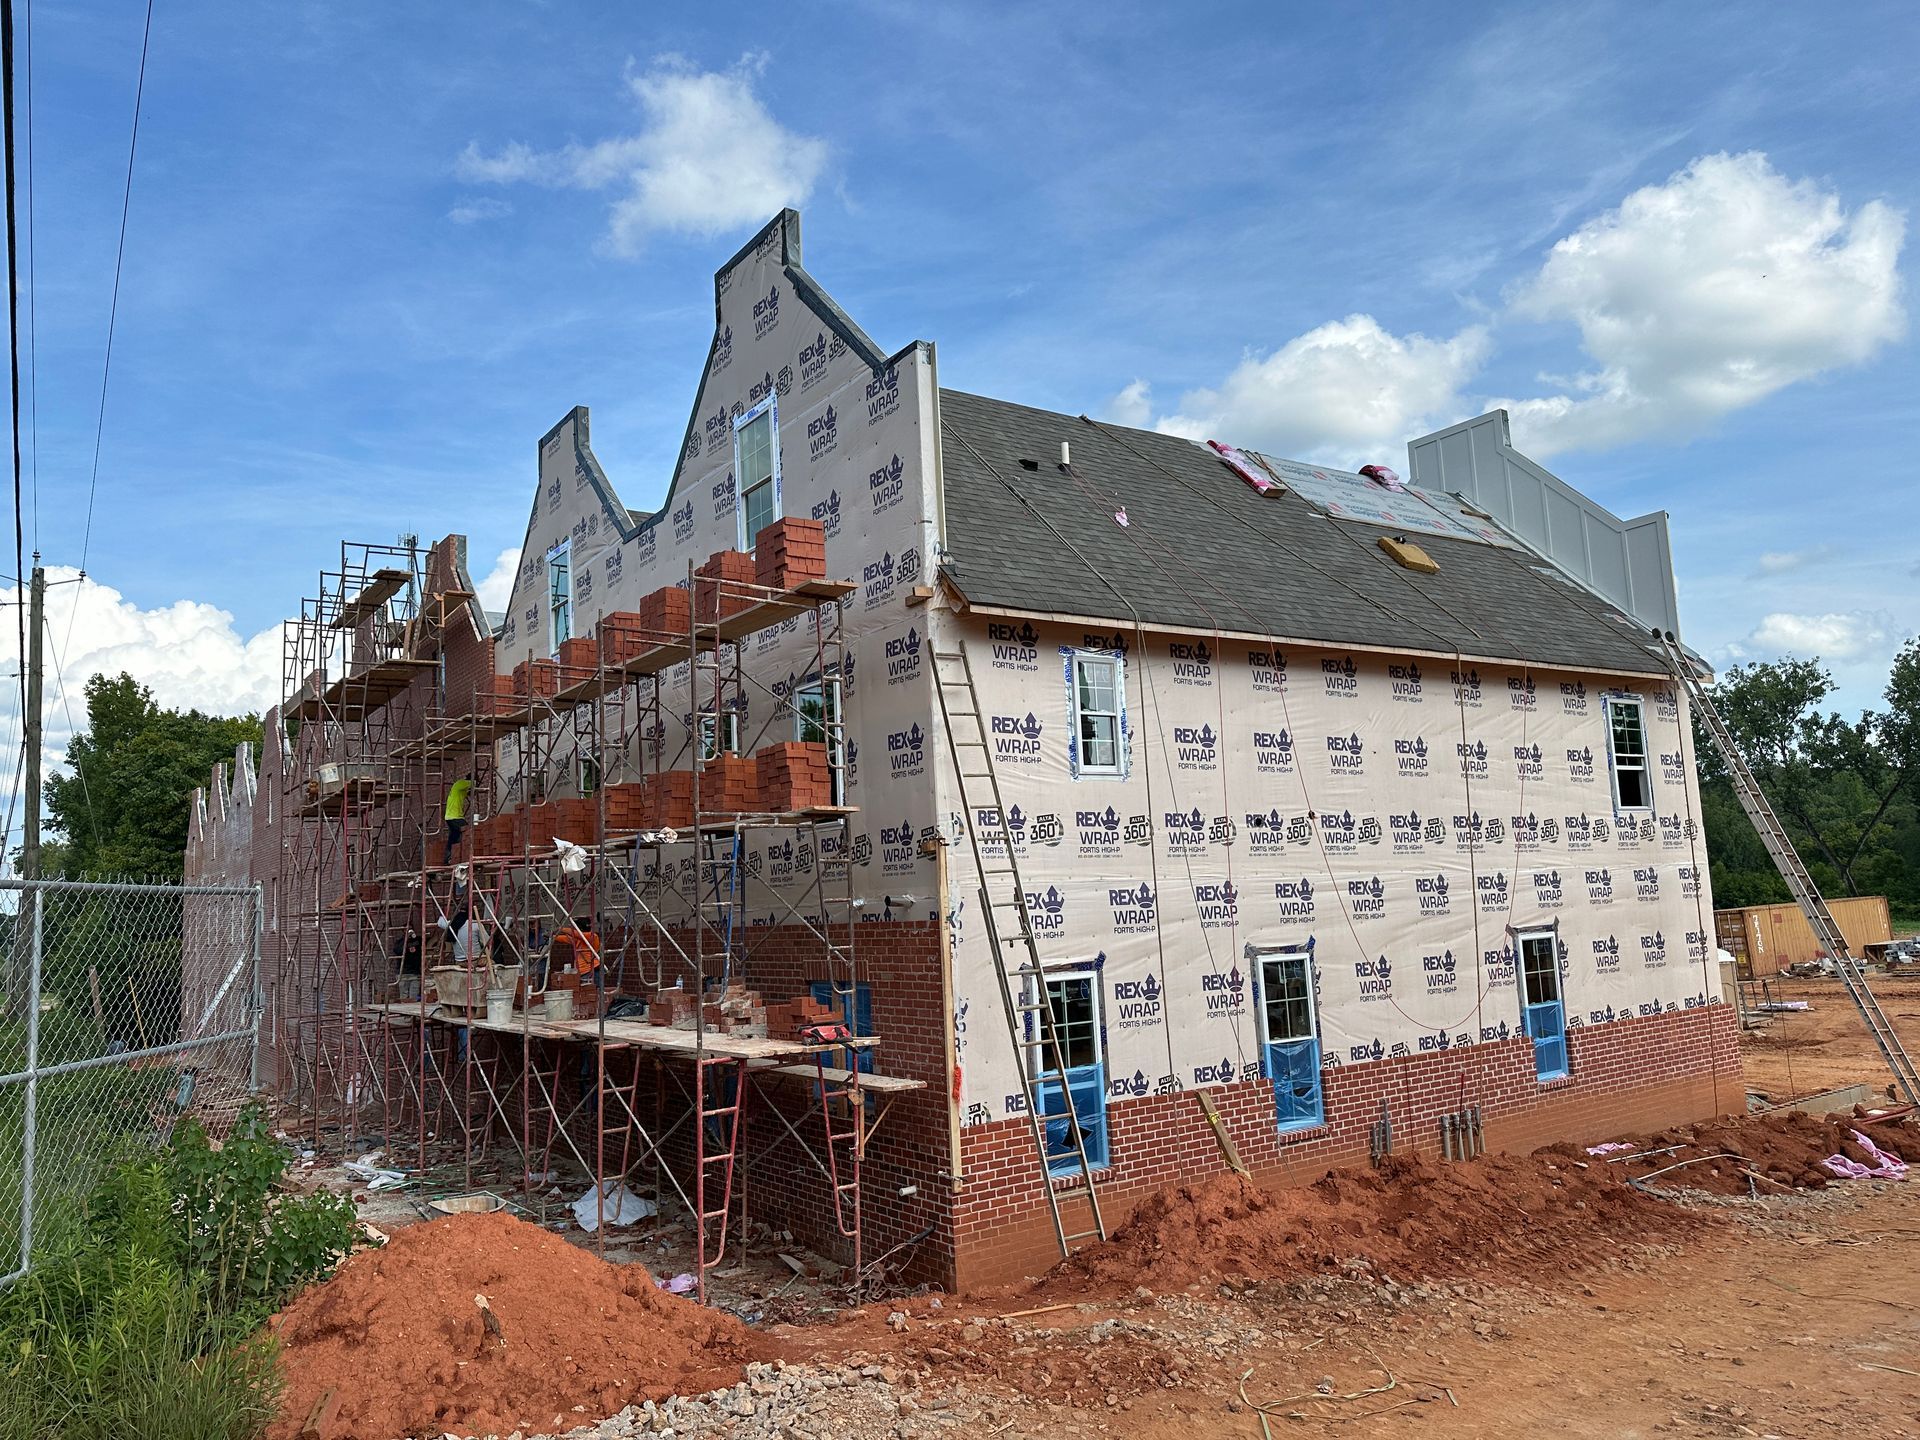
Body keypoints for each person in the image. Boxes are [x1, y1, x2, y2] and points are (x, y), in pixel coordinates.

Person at [443, 777, 474, 865]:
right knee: (467, 831)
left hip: (450, 817)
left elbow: (469, 793)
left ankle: (448, 859)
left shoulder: (460, 790)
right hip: (455, 817)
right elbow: (473, 783)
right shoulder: (460, 783)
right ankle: (467, 855)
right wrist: (476, 782)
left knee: (453, 838)